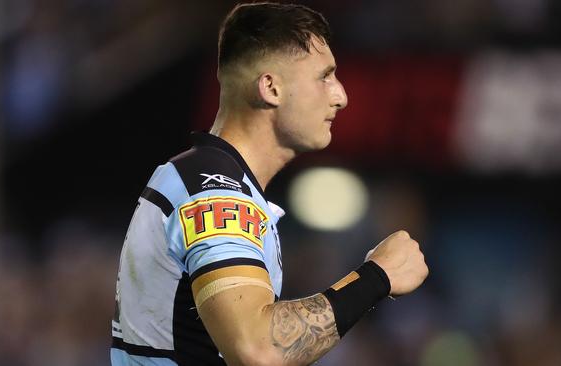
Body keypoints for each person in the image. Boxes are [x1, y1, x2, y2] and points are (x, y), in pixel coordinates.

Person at [110, 2, 428, 365]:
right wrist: (377, 277)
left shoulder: (202, 178)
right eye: (324, 76)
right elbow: (259, 349)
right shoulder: (214, 191)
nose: (341, 95)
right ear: (271, 88)